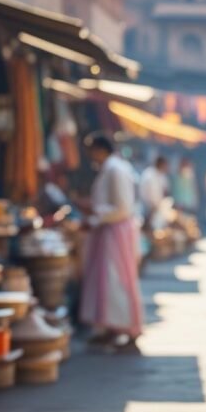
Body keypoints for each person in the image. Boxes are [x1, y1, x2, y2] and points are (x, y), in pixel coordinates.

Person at [79, 133, 144, 352]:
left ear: (99, 149)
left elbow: (123, 208)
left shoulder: (115, 169)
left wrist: (96, 216)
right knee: (106, 281)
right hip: (109, 231)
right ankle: (108, 327)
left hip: (115, 233)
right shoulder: (112, 168)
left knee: (116, 281)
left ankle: (126, 328)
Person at [139, 155, 170, 230]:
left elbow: (165, 190)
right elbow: (150, 197)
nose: (166, 168)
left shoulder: (161, 175)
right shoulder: (148, 175)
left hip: (157, 210)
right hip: (147, 210)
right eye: (165, 165)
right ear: (161, 164)